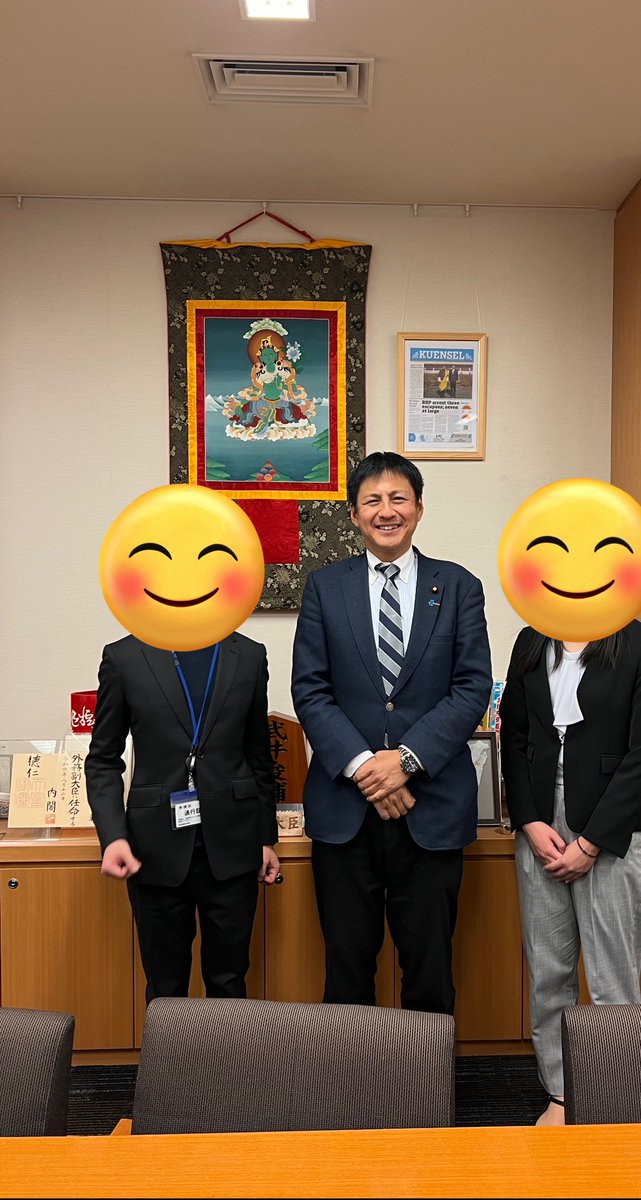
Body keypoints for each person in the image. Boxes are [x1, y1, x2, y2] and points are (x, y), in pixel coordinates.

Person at [291, 450, 492, 1013]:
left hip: (432, 808)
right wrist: (366, 768)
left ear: (419, 509)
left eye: (398, 498)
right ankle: (350, 1074)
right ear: (354, 515)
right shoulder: (325, 587)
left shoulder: (459, 586)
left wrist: (404, 760)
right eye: (372, 500)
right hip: (344, 812)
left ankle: (425, 1075)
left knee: (429, 970)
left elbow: (471, 687)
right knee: (346, 969)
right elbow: (310, 690)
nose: (387, 511)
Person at [85, 635, 280, 1002]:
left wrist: (266, 837)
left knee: (229, 982)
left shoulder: (249, 655)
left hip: (234, 848)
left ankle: (226, 1046)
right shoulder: (123, 656)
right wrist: (113, 836)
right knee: (164, 988)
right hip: (153, 848)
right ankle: (166, 1046)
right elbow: (103, 760)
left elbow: (258, 756)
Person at [499, 622, 641, 1125]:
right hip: (540, 821)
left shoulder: (634, 641)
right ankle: (561, 1094)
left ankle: (617, 1100)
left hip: (611, 823)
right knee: (549, 972)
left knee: (613, 975)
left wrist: (592, 841)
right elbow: (513, 735)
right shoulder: (532, 639)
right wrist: (530, 820)